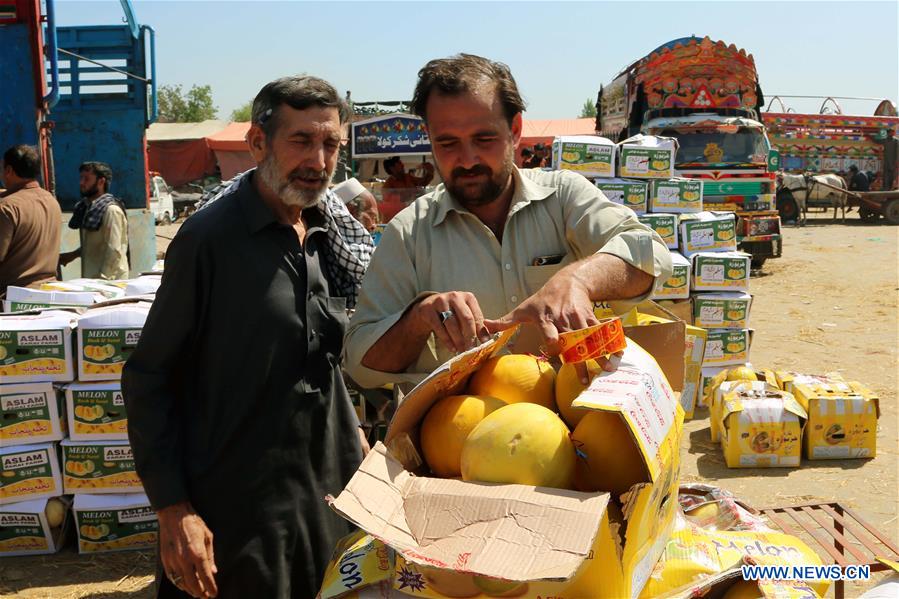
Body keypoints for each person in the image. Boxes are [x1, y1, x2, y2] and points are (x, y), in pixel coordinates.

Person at [122, 75, 371, 599]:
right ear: (258, 143)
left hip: (324, 506)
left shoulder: (323, 233)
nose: (319, 161)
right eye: (301, 140)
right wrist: (174, 511)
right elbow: (149, 378)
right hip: (236, 518)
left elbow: (317, 368)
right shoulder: (208, 242)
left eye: (330, 145)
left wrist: (357, 449)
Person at [343, 54, 672, 391]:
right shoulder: (409, 232)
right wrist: (419, 318)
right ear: (429, 137)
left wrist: (578, 279)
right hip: (460, 436)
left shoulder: (563, 196)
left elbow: (652, 256)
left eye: (484, 139)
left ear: (515, 130)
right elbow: (360, 364)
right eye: (448, 143)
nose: (467, 159)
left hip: (578, 430)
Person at [0, 145, 62, 294]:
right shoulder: (51, 201)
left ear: (8, 170)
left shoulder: (7, 207)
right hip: (48, 293)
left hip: (13, 299)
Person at [60, 162, 129, 279]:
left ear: (101, 182)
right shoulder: (87, 208)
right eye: (81, 178)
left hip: (110, 281)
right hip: (92, 279)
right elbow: (95, 245)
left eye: (86, 179)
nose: (81, 183)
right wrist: (72, 255)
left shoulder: (111, 210)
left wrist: (101, 280)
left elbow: (113, 250)